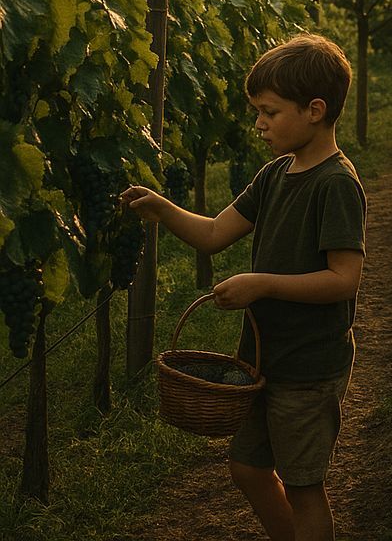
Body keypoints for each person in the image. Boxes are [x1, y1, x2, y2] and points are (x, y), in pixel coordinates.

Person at [122, 33, 365, 541]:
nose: (258, 123)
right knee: (248, 469)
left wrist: (262, 284)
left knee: (303, 487)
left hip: (309, 365)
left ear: (315, 110)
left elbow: (344, 281)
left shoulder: (336, 184)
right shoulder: (276, 174)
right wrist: (161, 206)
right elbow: (212, 234)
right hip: (262, 358)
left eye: (269, 112)